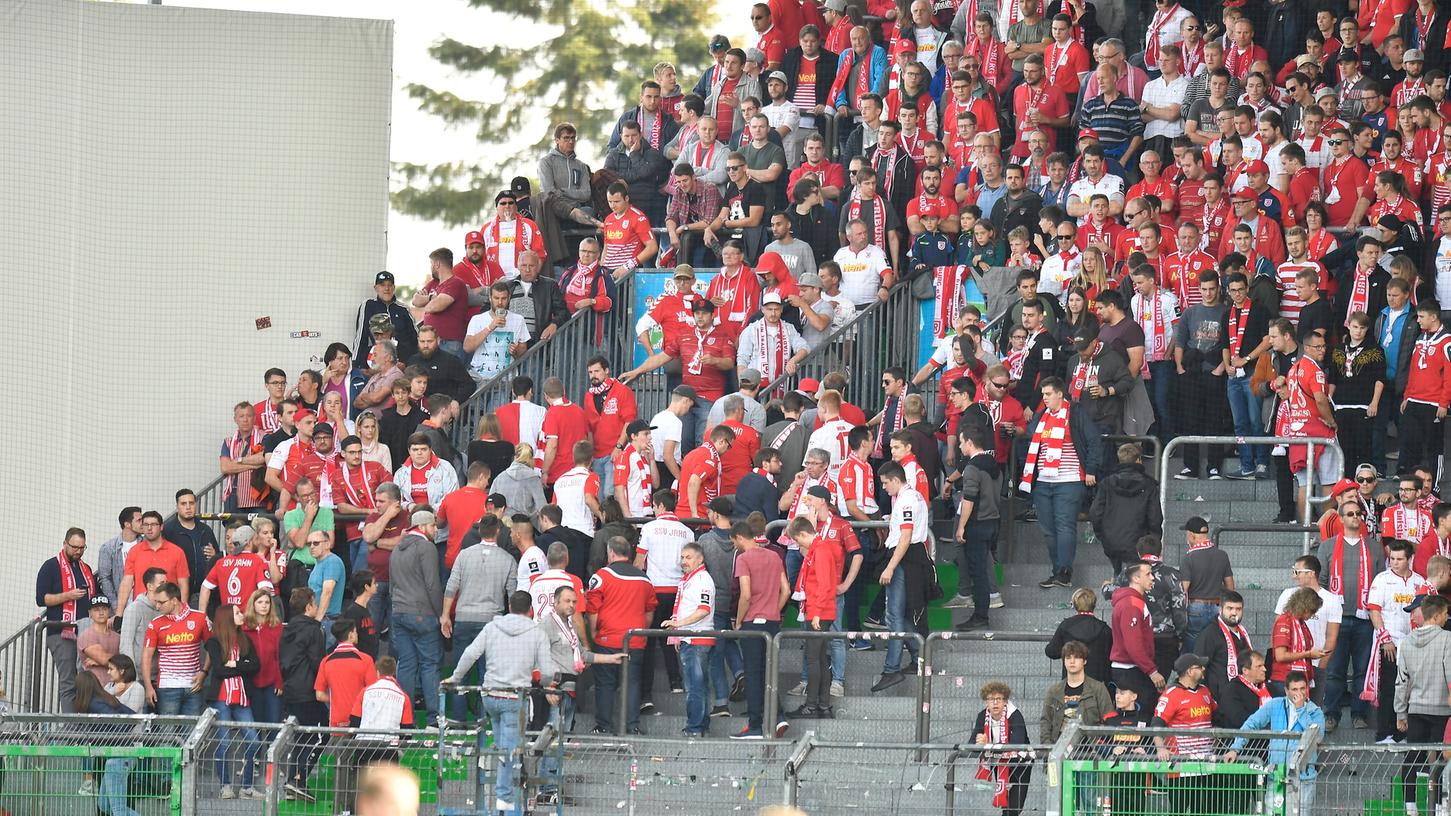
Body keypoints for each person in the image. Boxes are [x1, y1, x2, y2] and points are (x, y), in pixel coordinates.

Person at [445, 591, 553, 815]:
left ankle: (501, 797)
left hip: (490, 697)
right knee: (510, 752)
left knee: (502, 748)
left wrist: (455, 677)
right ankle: (505, 802)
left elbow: (469, 654)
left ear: (509, 607)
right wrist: (544, 683)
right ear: (530, 610)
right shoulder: (537, 632)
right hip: (515, 699)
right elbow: (548, 673)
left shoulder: (492, 627)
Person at [1021, 377, 1101, 588]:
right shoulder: (1042, 416)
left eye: (1048, 394)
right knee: (1048, 529)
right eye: (1043, 394)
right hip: (1044, 481)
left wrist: (1091, 469)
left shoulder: (1075, 412)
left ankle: (1065, 571)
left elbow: (1093, 440)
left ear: (1059, 394)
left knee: (1065, 525)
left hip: (1070, 479)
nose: (1044, 398)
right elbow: (1030, 436)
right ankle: (1057, 570)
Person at [1321, 498, 1383, 733]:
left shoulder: (1374, 547)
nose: (1355, 517)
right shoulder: (1327, 546)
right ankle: (1331, 714)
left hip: (1365, 619)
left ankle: (1359, 714)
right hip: (1336, 619)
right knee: (1335, 670)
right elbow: (1323, 582)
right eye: (1350, 514)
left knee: (1362, 669)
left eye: (1358, 513)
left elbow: (1378, 583)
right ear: (1341, 518)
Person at [587, 537, 657, 735]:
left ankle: (603, 726)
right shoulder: (645, 579)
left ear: (611, 553)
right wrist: (641, 630)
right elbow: (650, 610)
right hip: (635, 639)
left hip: (607, 639)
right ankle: (632, 725)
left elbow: (593, 608)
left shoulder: (601, 576)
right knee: (633, 682)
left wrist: (593, 633)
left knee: (605, 683)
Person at [1226, 670, 1325, 811]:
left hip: (1303, 779)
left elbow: (1318, 737)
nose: (1299, 693)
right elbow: (1251, 723)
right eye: (1294, 689)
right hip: (1277, 775)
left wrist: (1301, 710)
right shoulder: (1275, 705)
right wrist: (1235, 748)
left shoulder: (1315, 711)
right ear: (1286, 690)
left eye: (1303, 688)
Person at [872, 461, 931, 692]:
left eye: (886, 483)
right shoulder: (914, 497)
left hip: (904, 557)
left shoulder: (906, 500)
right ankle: (919, 656)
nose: (884, 488)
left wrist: (890, 567)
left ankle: (892, 669)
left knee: (893, 615)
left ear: (896, 480)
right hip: (913, 556)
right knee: (900, 614)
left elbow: (905, 537)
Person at [731, 522, 791, 740]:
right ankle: (779, 716)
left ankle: (755, 725)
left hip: (752, 624)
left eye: (734, 542)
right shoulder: (774, 556)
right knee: (769, 672)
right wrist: (775, 608)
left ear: (739, 538)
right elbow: (786, 589)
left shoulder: (743, 559)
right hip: (772, 622)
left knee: (754, 674)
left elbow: (745, 595)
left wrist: (738, 621)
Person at [1368, 538, 1429, 742]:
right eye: (1392, 558)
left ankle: (1401, 732)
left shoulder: (1420, 581)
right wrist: (1385, 638)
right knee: (1389, 687)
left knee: (1410, 689)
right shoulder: (1381, 580)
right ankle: (1384, 733)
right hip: (1390, 643)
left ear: (1409, 559)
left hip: (1413, 645)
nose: (1395, 562)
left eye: (1399, 558)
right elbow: (1374, 611)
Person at [1394, 594, 1451, 809]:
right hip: (1442, 710)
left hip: (1416, 708)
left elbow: (1402, 681)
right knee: (1439, 761)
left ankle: (1410, 807)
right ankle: (1437, 807)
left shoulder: (1406, 642)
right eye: (1445, 614)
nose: (1447, 617)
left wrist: (1401, 712)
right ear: (1436, 616)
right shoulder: (1447, 639)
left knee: (1412, 756)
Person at [636, 489, 692, 709]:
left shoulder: (649, 528)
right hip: (678, 592)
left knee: (648, 642)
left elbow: (640, 561)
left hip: (652, 590)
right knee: (672, 639)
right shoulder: (687, 531)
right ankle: (676, 682)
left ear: (659, 506)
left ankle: (646, 694)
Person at [390, 509, 443, 725]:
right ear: (422, 526)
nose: (436, 530)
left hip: (399, 612)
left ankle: (405, 721)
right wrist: (441, 614)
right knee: (430, 665)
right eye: (433, 526)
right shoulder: (426, 547)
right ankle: (432, 721)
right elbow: (432, 584)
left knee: (406, 666)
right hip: (423, 613)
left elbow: (392, 584)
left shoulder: (396, 549)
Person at [203, 603, 262, 800]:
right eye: (237, 613)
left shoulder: (246, 640)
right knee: (224, 742)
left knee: (254, 740)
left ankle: (247, 787)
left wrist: (235, 663)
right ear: (227, 617)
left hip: (243, 697)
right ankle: (225, 785)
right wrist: (242, 666)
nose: (242, 615)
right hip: (221, 699)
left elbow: (255, 666)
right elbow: (219, 670)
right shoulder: (214, 642)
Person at [36, 527, 97, 711]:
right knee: (69, 682)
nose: (78, 551)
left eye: (82, 547)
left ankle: (85, 725)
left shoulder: (86, 568)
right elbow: (41, 599)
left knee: (87, 682)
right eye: (74, 547)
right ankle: (71, 727)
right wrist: (68, 595)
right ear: (64, 544)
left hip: (86, 632)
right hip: (61, 633)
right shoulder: (50, 566)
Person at [1151, 654, 1218, 810]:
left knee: (1204, 811)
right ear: (1189, 671)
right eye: (1199, 667)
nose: (1203, 669)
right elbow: (1157, 723)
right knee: (1178, 810)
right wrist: (1160, 748)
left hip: (1206, 763)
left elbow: (1218, 716)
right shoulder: (1171, 694)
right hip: (1181, 766)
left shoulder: (1205, 691)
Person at [279, 588, 327, 802]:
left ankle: (292, 781)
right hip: (308, 691)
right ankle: (298, 779)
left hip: (290, 690)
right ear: (308, 607)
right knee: (320, 733)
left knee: (300, 737)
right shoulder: (313, 630)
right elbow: (318, 663)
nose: (317, 607)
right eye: (315, 604)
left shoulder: (287, 630)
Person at [949, 425, 999, 630]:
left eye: (961, 442)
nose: (959, 446)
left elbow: (968, 499)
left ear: (970, 443)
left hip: (977, 524)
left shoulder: (971, 468)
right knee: (982, 570)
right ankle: (981, 613)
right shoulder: (993, 463)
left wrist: (961, 527)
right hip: (993, 521)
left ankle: (980, 616)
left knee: (977, 573)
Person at [1088, 443, 1163, 575]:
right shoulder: (1149, 485)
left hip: (1112, 540)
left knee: (1118, 576)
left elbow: (1095, 513)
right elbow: (1155, 518)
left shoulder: (1107, 483)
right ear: (1138, 460)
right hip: (1140, 543)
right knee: (1138, 580)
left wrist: (1103, 535)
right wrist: (1154, 540)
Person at [1275, 555, 1341, 698]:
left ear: (1311, 573)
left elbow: (1331, 637)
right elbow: (1277, 633)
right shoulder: (1287, 594)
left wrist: (1320, 667)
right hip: (1288, 668)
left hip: (1315, 664)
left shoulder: (1331, 600)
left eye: (1297, 572)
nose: (1294, 576)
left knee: (1313, 711)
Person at [141, 581, 210, 715]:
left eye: (161, 602)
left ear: (174, 600)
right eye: (156, 602)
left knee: (191, 734)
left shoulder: (200, 618)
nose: (157, 606)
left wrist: (204, 672)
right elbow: (146, 657)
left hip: (193, 686)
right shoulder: (155, 624)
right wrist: (148, 687)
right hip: (167, 686)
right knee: (168, 732)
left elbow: (212, 648)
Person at [1111, 563, 1166, 712]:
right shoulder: (1132, 604)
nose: (1153, 578)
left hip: (1132, 668)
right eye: (1148, 574)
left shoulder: (1134, 601)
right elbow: (1133, 644)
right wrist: (1152, 671)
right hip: (1130, 670)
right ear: (1136, 578)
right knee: (1140, 716)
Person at [972, 681, 1033, 816]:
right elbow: (972, 744)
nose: (995, 703)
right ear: (986, 702)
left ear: (1005, 701)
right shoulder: (982, 716)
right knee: (1007, 807)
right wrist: (979, 743)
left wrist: (989, 745)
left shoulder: (1015, 715)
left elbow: (1016, 743)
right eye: (991, 699)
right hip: (998, 763)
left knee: (1013, 809)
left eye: (998, 699)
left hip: (1021, 765)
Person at [1040, 640, 1113, 742]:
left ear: (1085, 661)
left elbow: (1109, 719)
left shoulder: (1098, 688)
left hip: (1090, 749)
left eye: (1077, 657)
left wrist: (1100, 748)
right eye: (1068, 658)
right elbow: (1046, 721)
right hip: (1059, 747)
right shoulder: (1054, 691)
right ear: (1064, 661)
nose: (1072, 661)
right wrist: (1047, 747)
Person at [1194, 590, 1251, 700]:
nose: (1234, 613)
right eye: (1230, 608)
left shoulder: (1243, 632)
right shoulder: (1210, 633)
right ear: (1220, 609)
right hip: (1218, 697)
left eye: (1238, 609)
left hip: (1241, 694)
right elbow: (1198, 665)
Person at [243, 587, 285, 724]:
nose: (264, 605)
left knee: (273, 723)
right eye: (260, 602)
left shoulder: (278, 627)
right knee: (255, 725)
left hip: (272, 683)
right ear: (253, 604)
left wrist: (280, 681)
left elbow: (280, 656)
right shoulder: (243, 628)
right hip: (251, 682)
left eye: (267, 602)